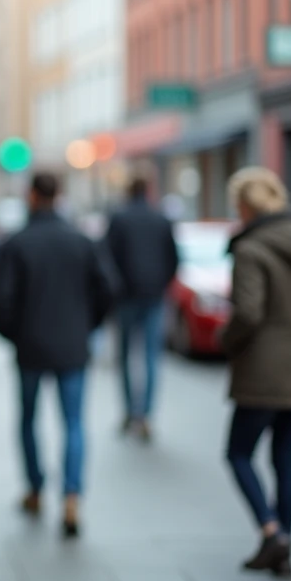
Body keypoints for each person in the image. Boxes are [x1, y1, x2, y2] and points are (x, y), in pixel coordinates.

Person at [0, 173, 116, 538]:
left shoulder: (17, 243)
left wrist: (13, 334)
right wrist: (87, 326)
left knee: (29, 419)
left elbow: (2, 301)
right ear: (59, 195)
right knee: (74, 422)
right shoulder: (82, 241)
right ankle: (72, 497)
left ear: (31, 196)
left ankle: (34, 488)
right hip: (73, 346)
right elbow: (108, 289)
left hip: (30, 346)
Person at [220, 167, 291, 577]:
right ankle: (284, 543)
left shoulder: (251, 250)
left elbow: (248, 311)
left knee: (238, 453)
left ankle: (270, 531)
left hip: (262, 371)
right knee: (285, 457)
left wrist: (228, 340)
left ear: (246, 206)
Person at [103, 176, 179, 441]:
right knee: (150, 357)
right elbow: (173, 259)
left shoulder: (119, 218)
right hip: (154, 296)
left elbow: (106, 257)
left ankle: (129, 411)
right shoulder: (161, 219)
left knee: (125, 356)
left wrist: (117, 288)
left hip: (126, 297)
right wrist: (161, 284)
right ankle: (145, 414)